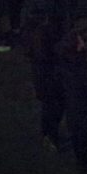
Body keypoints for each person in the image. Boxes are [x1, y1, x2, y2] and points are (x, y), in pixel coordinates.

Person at [56, 30, 87, 172]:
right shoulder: (82, 67)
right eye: (79, 41)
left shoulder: (64, 61)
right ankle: (83, 163)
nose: (83, 42)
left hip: (72, 106)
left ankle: (81, 159)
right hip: (84, 107)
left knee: (77, 136)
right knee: (83, 136)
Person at [25, 15, 65, 153]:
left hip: (45, 84)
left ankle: (46, 134)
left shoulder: (37, 39)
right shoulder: (44, 46)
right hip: (50, 84)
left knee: (48, 110)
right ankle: (50, 137)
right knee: (53, 111)